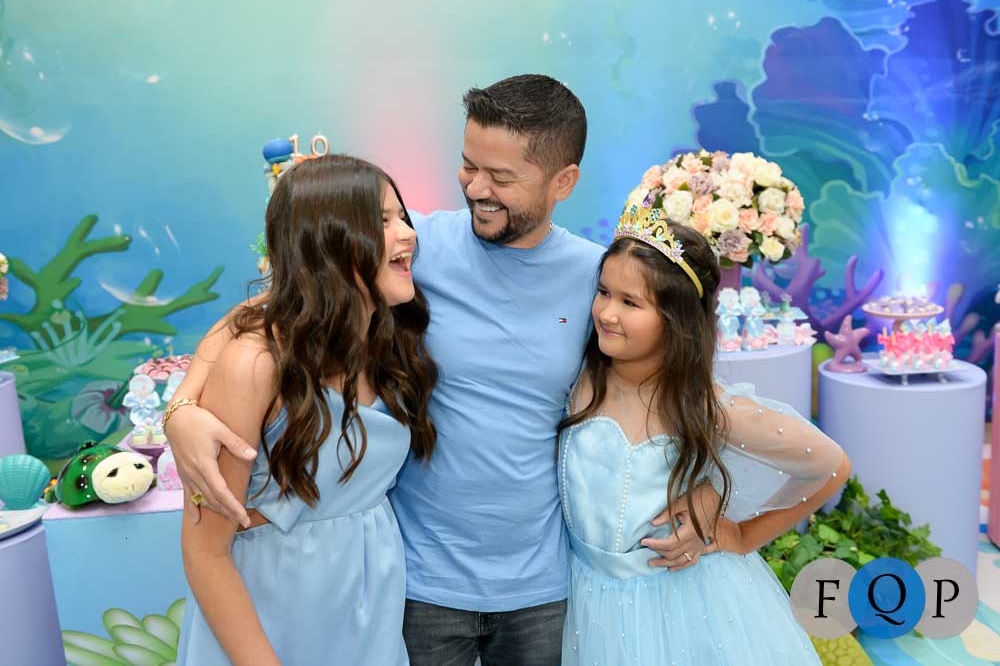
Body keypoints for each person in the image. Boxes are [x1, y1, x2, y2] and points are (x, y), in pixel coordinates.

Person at [166, 75, 719, 665]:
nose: (477, 188)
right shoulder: (411, 248)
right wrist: (183, 408)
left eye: (501, 176)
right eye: (468, 165)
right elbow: (272, 310)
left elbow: (675, 389)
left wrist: (707, 494)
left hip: (542, 581)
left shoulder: (598, 279)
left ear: (563, 182)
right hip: (415, 580)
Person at [558, 183, 851, 664]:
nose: (607, 313)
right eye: (604, 292)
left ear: (675, 319)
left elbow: (831, 465)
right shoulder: (580, 375)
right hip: (585, 597)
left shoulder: (705, 406)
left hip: (681, 605)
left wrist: (742, 534)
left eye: (630, 303)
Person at [175, 154, 437, 665]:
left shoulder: (386, 341)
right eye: (383, 220)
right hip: (273, 611)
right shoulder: (255, 365)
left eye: (403, 216)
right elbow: (205, 552)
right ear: (328, 241)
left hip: (365, 609)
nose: (408, 233)